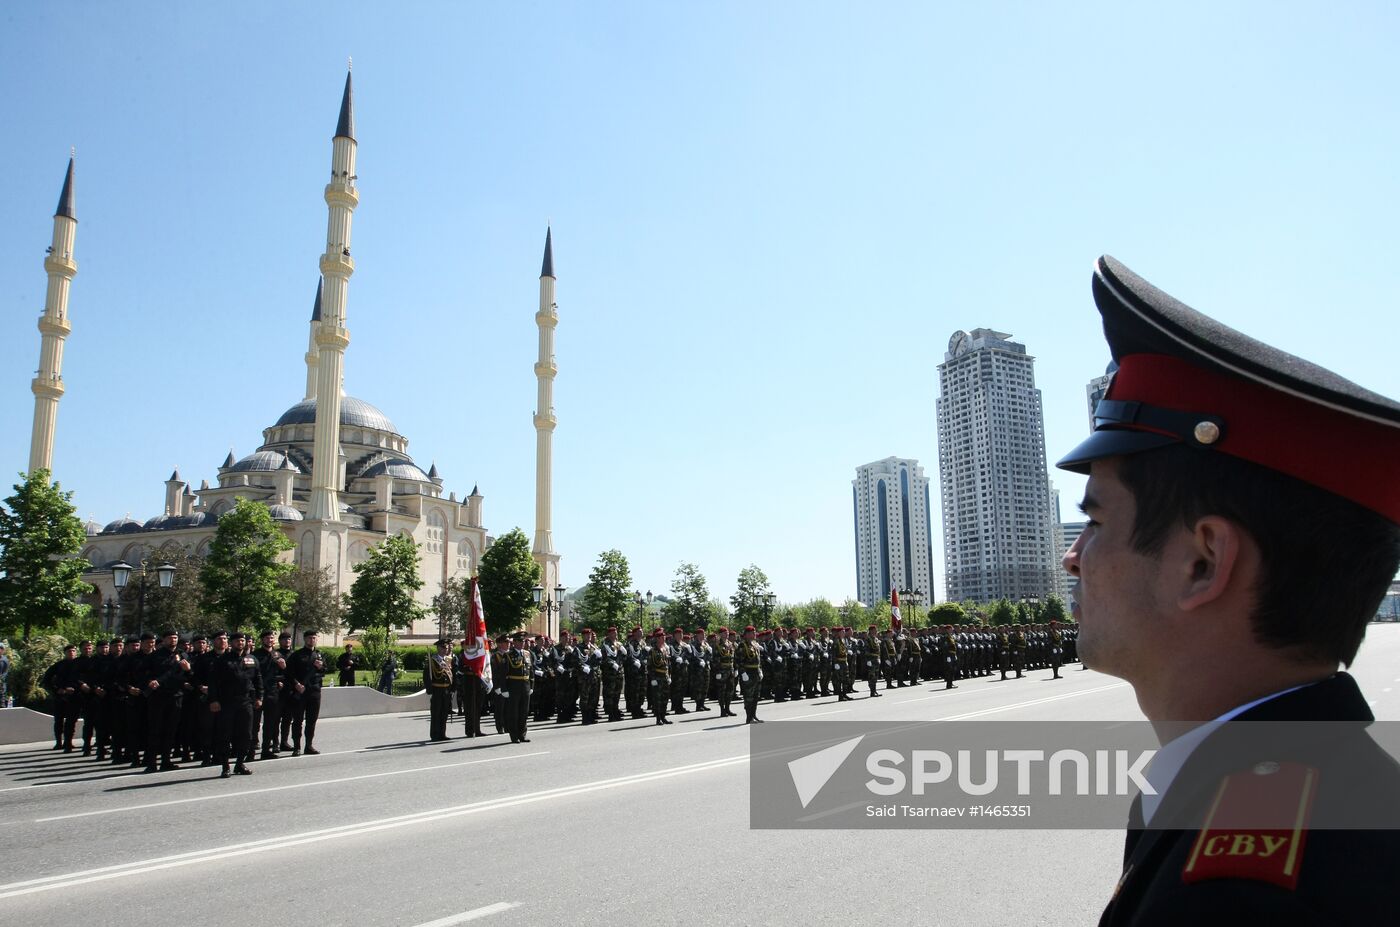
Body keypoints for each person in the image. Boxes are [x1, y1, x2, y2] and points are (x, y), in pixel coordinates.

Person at [1056, 256, 1400, 924]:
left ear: (1202, 563)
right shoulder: (1342, 795)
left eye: (1095, 520)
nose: (1074, 558)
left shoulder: (1231, 896)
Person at [208, 632, 262, 778]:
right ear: (231, 643)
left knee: (246, 734)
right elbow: (213, 682)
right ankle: (225, 766)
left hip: (246, 702)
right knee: (225, 734)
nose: (240, 643)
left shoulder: (251, 659)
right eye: (237, 641)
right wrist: (213, 700)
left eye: (243, 640)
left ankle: (239, 763)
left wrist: (259, 697)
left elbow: (257, 679)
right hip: (227, 703)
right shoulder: (222, 660)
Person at [285, 630, 327, 755]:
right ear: (305, 639)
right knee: (297, 720)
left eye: (314, 638)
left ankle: (309, 745)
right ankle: (297, 746)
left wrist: (321, 667)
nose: (311, 640)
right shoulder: (297, 655)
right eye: (309, 638)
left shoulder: (319, 655)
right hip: (300, 691)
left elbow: (325, 671)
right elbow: (288, 673)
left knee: (311, 720)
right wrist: (296, 684)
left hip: (314, 691)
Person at [253, 630, 286, 760]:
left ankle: (266, 750)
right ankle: (251, 749)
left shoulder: (278, 655)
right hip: (258, 693)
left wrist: (282, 673)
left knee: (270, 723)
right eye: (267, 638)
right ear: (262, 640)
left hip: (273, 693)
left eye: (271, 638)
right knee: (254, 723)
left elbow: (284, 674)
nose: (269, 640)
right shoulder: (255, 655)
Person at [41, 644, 81, 750]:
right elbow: (46, 680)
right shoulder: (59, 665)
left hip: (74, 697)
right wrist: (57, 690)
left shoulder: (79, 664)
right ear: (65, 653)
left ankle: (68, 742)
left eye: (73, 651)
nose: (71, 653)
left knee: (71, 721)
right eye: (69, 651)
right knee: (59, 720)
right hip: (60, 697)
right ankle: (58, 742)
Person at [502, 631, 533, 743]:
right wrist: (504, 689)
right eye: (519, 641)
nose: (522, 643)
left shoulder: (527, 654)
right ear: (514, 642)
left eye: (523, 641)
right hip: (513, 686)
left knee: (524, 712)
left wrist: (531, 685)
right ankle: (514, 736)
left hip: (525, 685)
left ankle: (522, 734)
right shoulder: (508, 655)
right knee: (513, 713)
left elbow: (531, 671)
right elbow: (503, 673)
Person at [425, 638, 454, 741]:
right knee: (436, 713)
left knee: (444, 713)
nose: (445, 650)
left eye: (446, 648)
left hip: (446, 690)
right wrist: (429, 689)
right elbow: (427, 676)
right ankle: (435, 734)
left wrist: (452, 688)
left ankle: (442, 733)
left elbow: (451, 675)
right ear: (438, 648)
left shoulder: (448, 660)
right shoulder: (432, 660)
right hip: (437, 689)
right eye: (442, 648)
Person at [459, 635, 487, 737]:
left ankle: (477, 729)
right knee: (469, 707)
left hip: (478, 681)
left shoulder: (480, 653)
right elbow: (461, 668)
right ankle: (470, 730)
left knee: (478, 706)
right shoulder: (465, 653)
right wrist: (471, 668)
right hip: (469, 681)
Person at [736, 626, 763, 723]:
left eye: (755, 632)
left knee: (756, 696)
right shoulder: (742, 646)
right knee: (749, 697)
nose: (755, 634)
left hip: (755, 672)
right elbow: (739, 661)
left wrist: (760, 670)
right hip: (748, 673)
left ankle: (754, 715)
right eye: (753, 632)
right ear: (747, 634)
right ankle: (749, 717)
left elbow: (758, 660)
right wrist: (743, 673)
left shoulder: (755, 645)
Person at [648, 629, 671, 725]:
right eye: (661, 637)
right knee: (657, 699)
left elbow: (668, 665)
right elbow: (650, 666)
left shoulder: (665, 649)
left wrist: (669, 676)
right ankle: (658, 718)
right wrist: (653, 678)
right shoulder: (653, 651)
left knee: (665, 698)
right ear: (657, 639)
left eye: (664, 637)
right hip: (657, 677)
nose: (663, 639)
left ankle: (663, 716)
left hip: (664, 676)